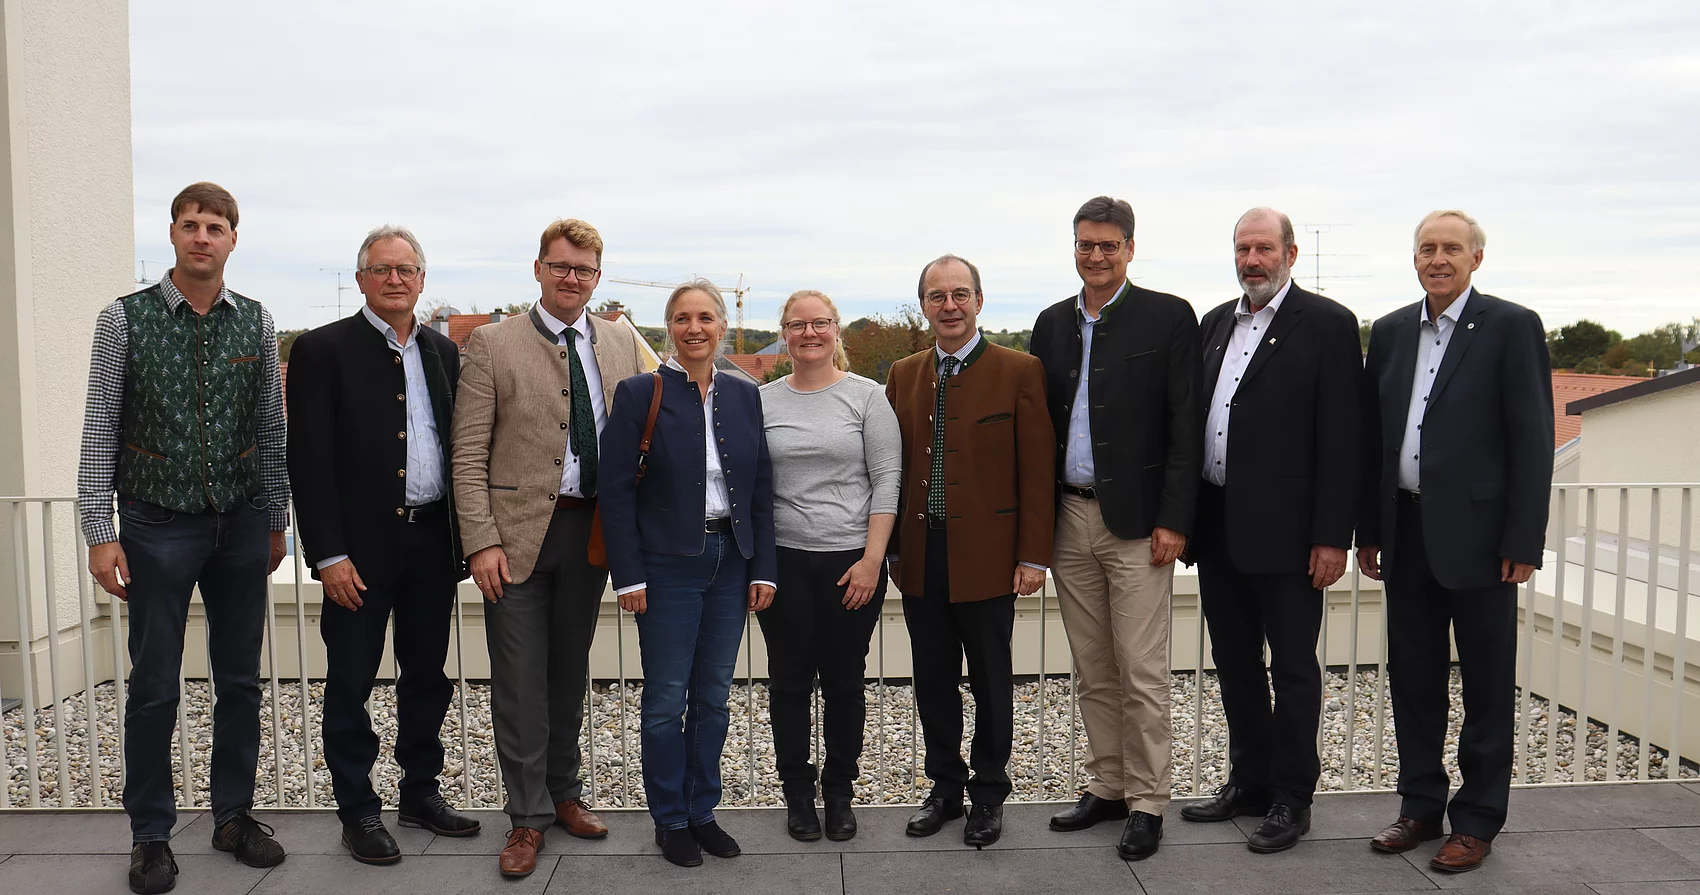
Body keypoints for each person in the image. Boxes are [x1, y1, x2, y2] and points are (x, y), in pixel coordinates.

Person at [77, 182, 289, 894]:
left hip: (240, 524)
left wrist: (276, 519)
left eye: (215, 226)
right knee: (154, 686)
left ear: (233, 239)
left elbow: (270, 430)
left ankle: (232, 817)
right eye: (191, 224)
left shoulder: (256, 320)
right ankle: (150, 835)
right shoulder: (123, 318)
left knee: (239, 681)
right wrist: (99, 531)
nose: (203, 236)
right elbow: (100, 429)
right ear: (172, 233)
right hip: (155, 523)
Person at [449, 218, 650, 878]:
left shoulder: (619, 341)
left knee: (568, 673)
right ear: (538, 269)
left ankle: (565, 793)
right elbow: (468, 453)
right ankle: (527, 817)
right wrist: (481, 541)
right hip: (514, 540)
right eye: (561, 266)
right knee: (518, 681)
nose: (571, 278)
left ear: (598, 277)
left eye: (583, 269)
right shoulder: (492, 343)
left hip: (590, 536)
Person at [1358, 210, 1552, 873]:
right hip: (1405, 532)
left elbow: (1533, 439)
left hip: (1483, 540)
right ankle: (1419, 807)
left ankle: (1476, 821)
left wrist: (1523, 537)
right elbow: (1375, 441)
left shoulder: (1511, 326)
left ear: (1476, 258)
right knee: (1413, 681)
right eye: (1426, 248)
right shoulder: (1390, 331)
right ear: (1414, 258)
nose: (1437, 259)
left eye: (1450, 248)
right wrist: (1369, 529)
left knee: (1487, 688)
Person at [286, 225, 481, 864]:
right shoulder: (323, 350)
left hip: (431, 543)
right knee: (351, 681)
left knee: (427, 676)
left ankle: (420, 792)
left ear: (422, 280)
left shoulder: (443, 351)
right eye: (381, 269)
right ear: (361, 279)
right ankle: (358, 810)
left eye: (405, 269)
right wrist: (328, 554)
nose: (394, 279)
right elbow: (308, 460)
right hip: (358, 554)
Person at [1179, 207, 1363, 853]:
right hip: (1219, 529)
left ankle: (1292, 797)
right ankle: (1249, 781)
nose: (1252, 260)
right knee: (1235, 666)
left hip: (1291, 538)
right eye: (1243, 248)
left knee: (1292, 671)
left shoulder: (1328, 324)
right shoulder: (1214, 323)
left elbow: (1343, 437)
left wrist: (1332, 536)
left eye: (1263, 248)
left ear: (1289, 253)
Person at [1028, 196, 1202, 861]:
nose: (1096, 255)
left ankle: (1148, 800)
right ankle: (1107, 783)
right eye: (1085, 244)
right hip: (1068, 517)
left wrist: (1174, 519)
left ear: (1130, 247)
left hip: (1137, 525)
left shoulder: (1168, 316)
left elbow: (1185, 426)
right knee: (1094, 666)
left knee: (1141, 668)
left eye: (1108, 244)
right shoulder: (1051, 324)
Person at [600, 279, 778, 868]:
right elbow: (615, 491)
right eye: (682, 318)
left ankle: (703, 811)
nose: (694, 328)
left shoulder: (745, 393)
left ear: (721, 325)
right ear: (669, 327)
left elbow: (760, 486)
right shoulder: (639, 393)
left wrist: (764, 567)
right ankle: (670, 819)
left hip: (732, 561)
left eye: (705, 317)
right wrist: (628, 575)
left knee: (713, 699)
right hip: (666, 567)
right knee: (665, 701)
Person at [884, 255, 1053, 849]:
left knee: (990, 680)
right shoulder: (904, 373)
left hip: (990, 556)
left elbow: (1038, 471)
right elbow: (893, 468)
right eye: (937, 296)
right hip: (920, 553)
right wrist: (892, 551)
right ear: (924, 305)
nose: (949, 305)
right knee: (932, 679)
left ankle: (988, 793)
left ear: (980, 300)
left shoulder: (1019, 369)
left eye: (960, 294)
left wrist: (1033, 556)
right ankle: (944, 788)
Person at [756, 289, 901, 843]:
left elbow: (887, 480)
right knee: (788, 681)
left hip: (851, 563)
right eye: (797, 325)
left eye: (820, 323)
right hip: (783, 563)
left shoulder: (867, 397)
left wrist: (872, 560)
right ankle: (797, 793)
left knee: (844, 681)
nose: (809, 333)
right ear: (785, 334)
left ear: (836, 330)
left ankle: (839, 792)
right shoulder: (762, 401)